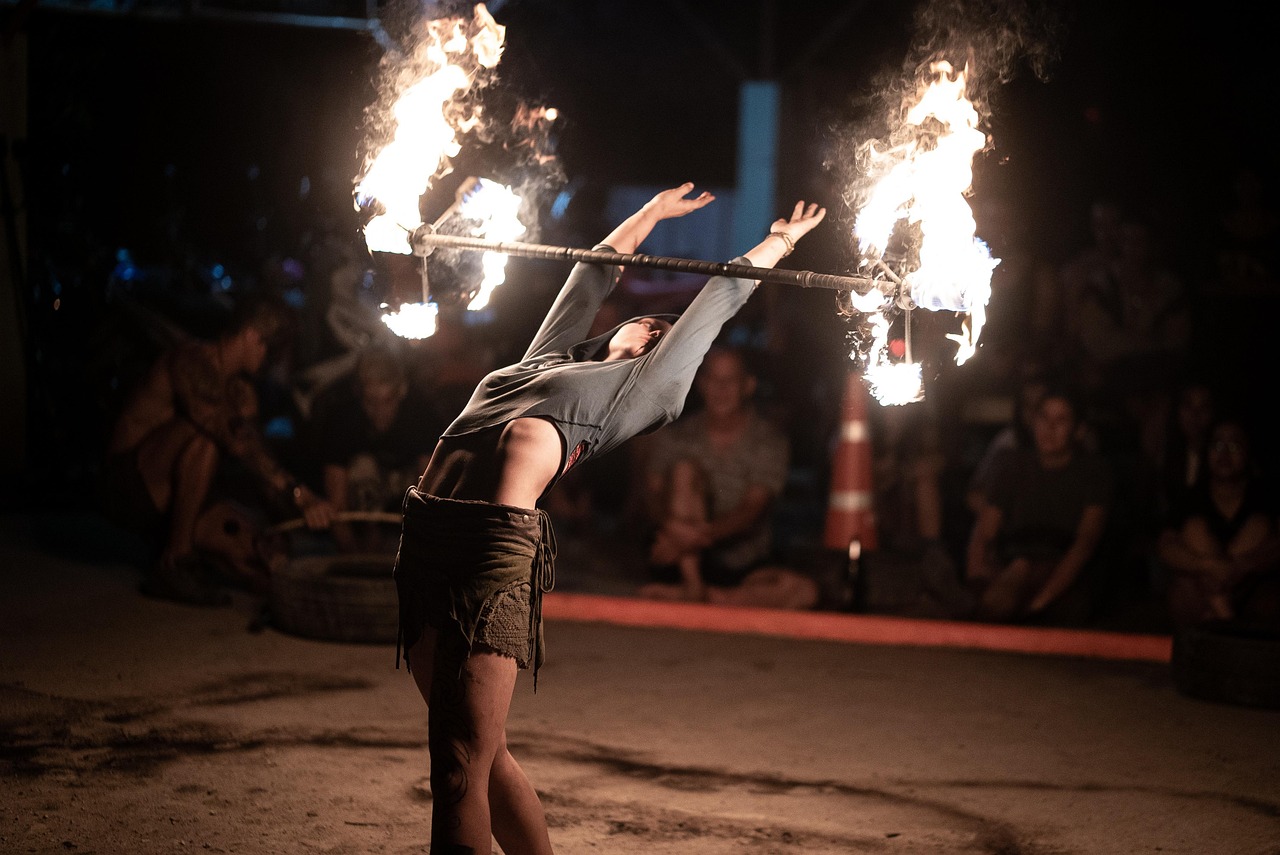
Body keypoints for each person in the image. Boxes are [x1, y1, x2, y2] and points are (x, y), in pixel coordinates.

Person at [391, 183, 825, 853]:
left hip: (488, 550)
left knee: (456, 767)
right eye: (650, 319)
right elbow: (590, 273)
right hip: (423, 536)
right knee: (477, 753)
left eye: (663, 329)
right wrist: (650, 215)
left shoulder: (640, 390)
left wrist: (779, 241)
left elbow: (719, 298)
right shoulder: (551, 357)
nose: (654, 323)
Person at [99, 293, 336, 605]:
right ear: (252, 336)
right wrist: (297, 491)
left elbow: (257, 460)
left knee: (257, 554)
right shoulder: (188, 360)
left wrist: (286, 520)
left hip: (178, 499)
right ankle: (176, 562)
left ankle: (190, 550)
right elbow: (230, 436)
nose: (273, 361)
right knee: (207, 433)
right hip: (130, 486)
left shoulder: (242, 392)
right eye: (272, 349)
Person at [635, 344, 818, 609]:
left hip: (741, 562)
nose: (721, 389)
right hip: (680, 557)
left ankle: (705, 597)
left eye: (730, 381)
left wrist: (699, 535)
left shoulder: (768, 441)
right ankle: (694, 583)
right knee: (685, 471)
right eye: (713, 380)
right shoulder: (676, 437)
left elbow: (752, 509)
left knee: (803, 591)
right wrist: (673, 531)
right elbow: (651, 494)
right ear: (701, 384)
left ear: (748, 386)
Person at [964, 384, 1113, 624]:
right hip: (1013, 563)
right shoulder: (1011, 464)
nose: (1049, 428)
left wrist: (1040, 602)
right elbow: (985, 531)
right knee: (1015, 573)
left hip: (1063, 573)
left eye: (1061, 420)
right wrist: (979, 582)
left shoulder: (1094, 472)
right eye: (1043, 417)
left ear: (1078, 430)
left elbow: (1085, 543)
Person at [309, 343, 440, 554]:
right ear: (359, 394)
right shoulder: (341, 422)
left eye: (387, 401)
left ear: (401, 390)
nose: (380, 411)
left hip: (401, 529)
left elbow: (428, 496)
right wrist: (356, 560)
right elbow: (337, 509)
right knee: (364, 466)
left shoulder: (421, 417)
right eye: (371, 401)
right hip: (353, 528)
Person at [1155, 414, 1280, 626]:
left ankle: (1223, 622)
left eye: (1234, 445)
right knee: (1194, 530)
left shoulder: (1266, 495)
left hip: (1251, 589)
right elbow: (1166, 546)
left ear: (1248, 451)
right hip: (1202, 593)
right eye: (1217, 444)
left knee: (1258, 526)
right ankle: (1227, 620)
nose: (1224, 453)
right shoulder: (1191, 497)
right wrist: (1208, 566)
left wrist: (1241, 566)